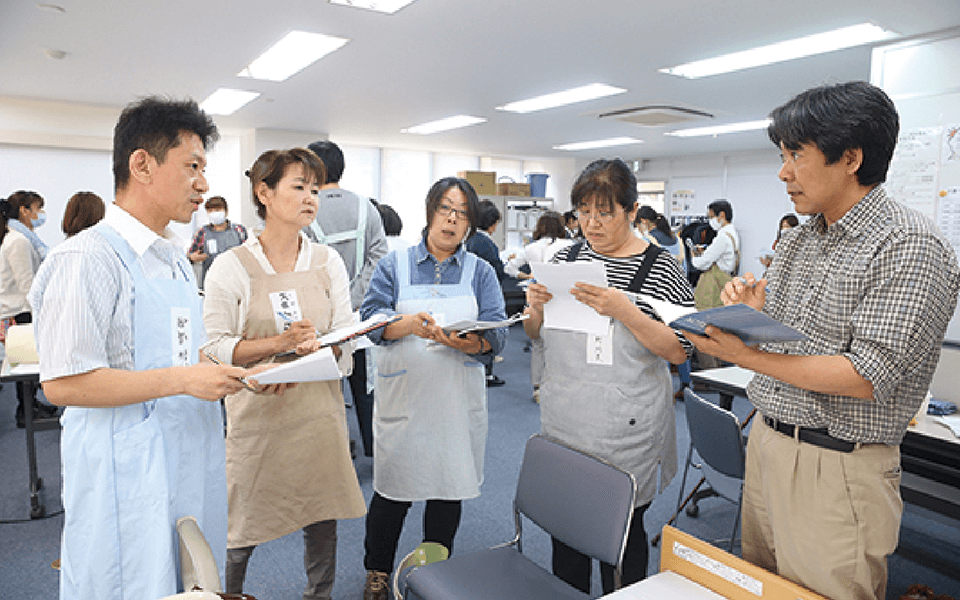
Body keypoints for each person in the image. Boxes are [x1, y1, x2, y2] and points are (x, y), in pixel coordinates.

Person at [686, 81, 960, 600]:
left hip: (840, 463)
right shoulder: (798, 240)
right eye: (782, 154)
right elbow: (789, 340)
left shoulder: (910, 245)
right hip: (768, 441)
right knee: (761, 587)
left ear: (851, 158)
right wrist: (749, 314)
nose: (783, 171)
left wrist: (747, 356)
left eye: (795, 154)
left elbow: (864, 376)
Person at [28, 96, 253, 600]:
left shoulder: (173, 259)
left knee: (190, 579)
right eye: (192, 166)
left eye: (205, 169)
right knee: (130, 582)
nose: (204, 184)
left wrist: (226, 372)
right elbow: (64, 382)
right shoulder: (87, 258)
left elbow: (177, 356)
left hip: (186, 457)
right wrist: (184, 380)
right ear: (142, 164)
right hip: (126, 476)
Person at [523, 158, 694, 595]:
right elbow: (537, 334)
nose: (591, 224)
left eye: (604, 212)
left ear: (632, 210)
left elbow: (679, 348)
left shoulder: (661, 266)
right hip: (566, 418)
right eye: (583, 212)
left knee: (620, 536)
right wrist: (536, 309)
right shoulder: (568, 257)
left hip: (624, 428)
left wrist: (624, 310)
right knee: (566, 532)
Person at [202, 148, 365, 600]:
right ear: (264, 192)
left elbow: (345, 338)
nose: (311, 197)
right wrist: (277, 347)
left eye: (315, 188)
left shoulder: (327, 262)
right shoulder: (231, 266)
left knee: (322, 515)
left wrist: (322, 347)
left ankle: (321, 594)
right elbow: (213, 348)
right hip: (257, 419)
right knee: (241, 529)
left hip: (317, 416)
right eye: (298, 186)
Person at [359, 176, 507, 600]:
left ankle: (435, 572)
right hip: (404, 400)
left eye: (462, 214)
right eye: (445, 208)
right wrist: (406, 325)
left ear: (470, 225)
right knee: (392, 494)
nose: (452, 220)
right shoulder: (394, 264)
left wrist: (467, 342)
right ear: (430, 212)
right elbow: (371, 318)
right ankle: (378, 572)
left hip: (454, 403)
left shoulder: (481, 272)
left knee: (447, 491)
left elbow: (498, 336)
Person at [305, 140, 388, 459]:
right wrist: (354, 297)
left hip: (321, 317)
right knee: (365, 388)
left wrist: (334, 301)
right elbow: (380, 257)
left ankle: (334, 456)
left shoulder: (306, 208)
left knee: (327, 389)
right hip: (361, 315)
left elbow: (301, 263)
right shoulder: (367, 207)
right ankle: (374, 451)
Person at [0, 191, 58, 427]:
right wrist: (41, 315)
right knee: (26, 366)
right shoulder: (19, 241)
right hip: (19, 311)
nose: (40, 214)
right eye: (38, 208)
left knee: (25, 365)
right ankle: (26, 411)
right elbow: (27, 284)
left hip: (15, 309)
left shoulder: (16, 238)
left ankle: (30, 406)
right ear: (24, 211)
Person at [635, 206, 694, 399]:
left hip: (656, 298)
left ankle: (665, 386)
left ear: (643, 222)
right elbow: (685, 270)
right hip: (678, 298)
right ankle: (686, 384)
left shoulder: (647, 241)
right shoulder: (678, 240)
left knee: (662, 343)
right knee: (680, 341)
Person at [464, 199, 507, 387]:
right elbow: (496, 270)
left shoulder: (469, 238)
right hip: (484, 294)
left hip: (469, 292)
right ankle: (487, 374)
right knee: (487, 329)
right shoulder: (486, 243)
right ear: (492, 223)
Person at [187, 195, 248, 288]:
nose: (214, 213)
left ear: (226, 211)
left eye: (217, 210)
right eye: (210, 211)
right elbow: (190, 255)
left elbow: (249, 253)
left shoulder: (239, 230)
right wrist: (193, 257)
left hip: (237, 281)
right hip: (212, 282)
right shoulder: (203, 232)